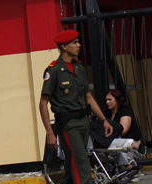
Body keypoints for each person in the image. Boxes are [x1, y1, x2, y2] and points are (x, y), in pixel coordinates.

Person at [39, 31, 114, 184]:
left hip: (83, 121)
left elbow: (88, 97)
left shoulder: (79, 68)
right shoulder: (53, 70)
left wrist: (104, 120)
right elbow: (43, 103)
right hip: (68, 124)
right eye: (75, 43)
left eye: (78, 42)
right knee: (81, 162)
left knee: (73, 162)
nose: (79, 46)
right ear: (64, 46)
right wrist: (49, 132)